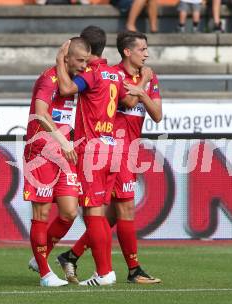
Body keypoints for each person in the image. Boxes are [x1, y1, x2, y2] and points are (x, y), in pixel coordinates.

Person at [56, 30, 162, 284]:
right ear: (127, 51)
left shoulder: (147, 76)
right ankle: (131, 269)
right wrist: (141, 86)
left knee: (109, 214)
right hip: (115, 147)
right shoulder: (113, 74)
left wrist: (143, 87)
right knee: (118, 209)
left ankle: (73, 255)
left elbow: (157, 115)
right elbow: (125, 102)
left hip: (125, 149)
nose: (147, 53)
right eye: (142, 49)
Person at [24, 37, 90, 287]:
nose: (84, 66)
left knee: (69, 211)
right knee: (41, 213)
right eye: (80, 60)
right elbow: (40, 114)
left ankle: (39, 257)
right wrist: (63, 142)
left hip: (64, 155)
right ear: (67, 58)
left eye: (86, 61)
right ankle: (44, 273)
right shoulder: (48, 79)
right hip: (41, 152)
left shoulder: (73, 83)